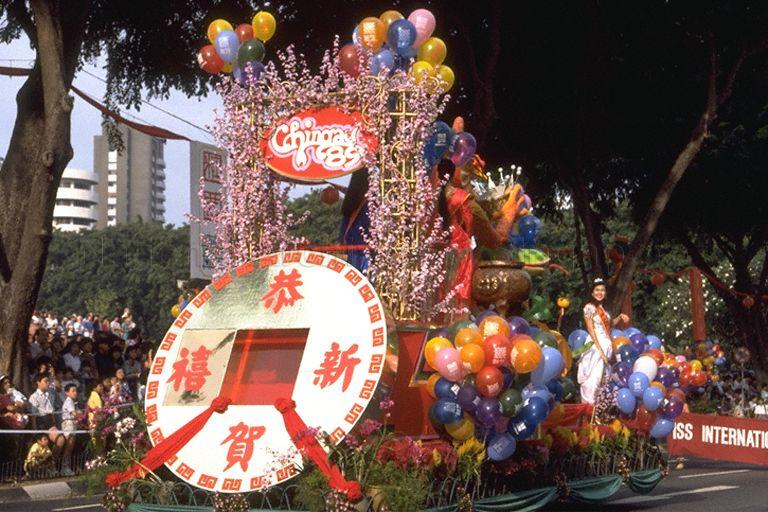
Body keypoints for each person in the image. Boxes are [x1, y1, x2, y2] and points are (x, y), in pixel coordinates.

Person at [577, 278, 630, 405]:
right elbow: (591, 329)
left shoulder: (603, 309)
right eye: (597, 290)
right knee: (594, 378)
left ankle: (598, 409)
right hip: (595, 346)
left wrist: (620, 317)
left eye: (602, 290)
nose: (600, 292)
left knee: (603, 379)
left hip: (606, 345)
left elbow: (609, 325)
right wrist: (600, 350)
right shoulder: (589, 307)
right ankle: (589, 407)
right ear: (592, 292)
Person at [60, 384, 79, 475]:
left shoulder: (73, 401)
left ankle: (67, 466)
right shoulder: (69, 401)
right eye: (73, 391)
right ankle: (64, 467)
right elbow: (74, 414)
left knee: (70, 447)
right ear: (67, 393)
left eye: (76, 390)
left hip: (73, 424)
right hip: (69, 424)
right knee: (69, 446)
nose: (75, 393)